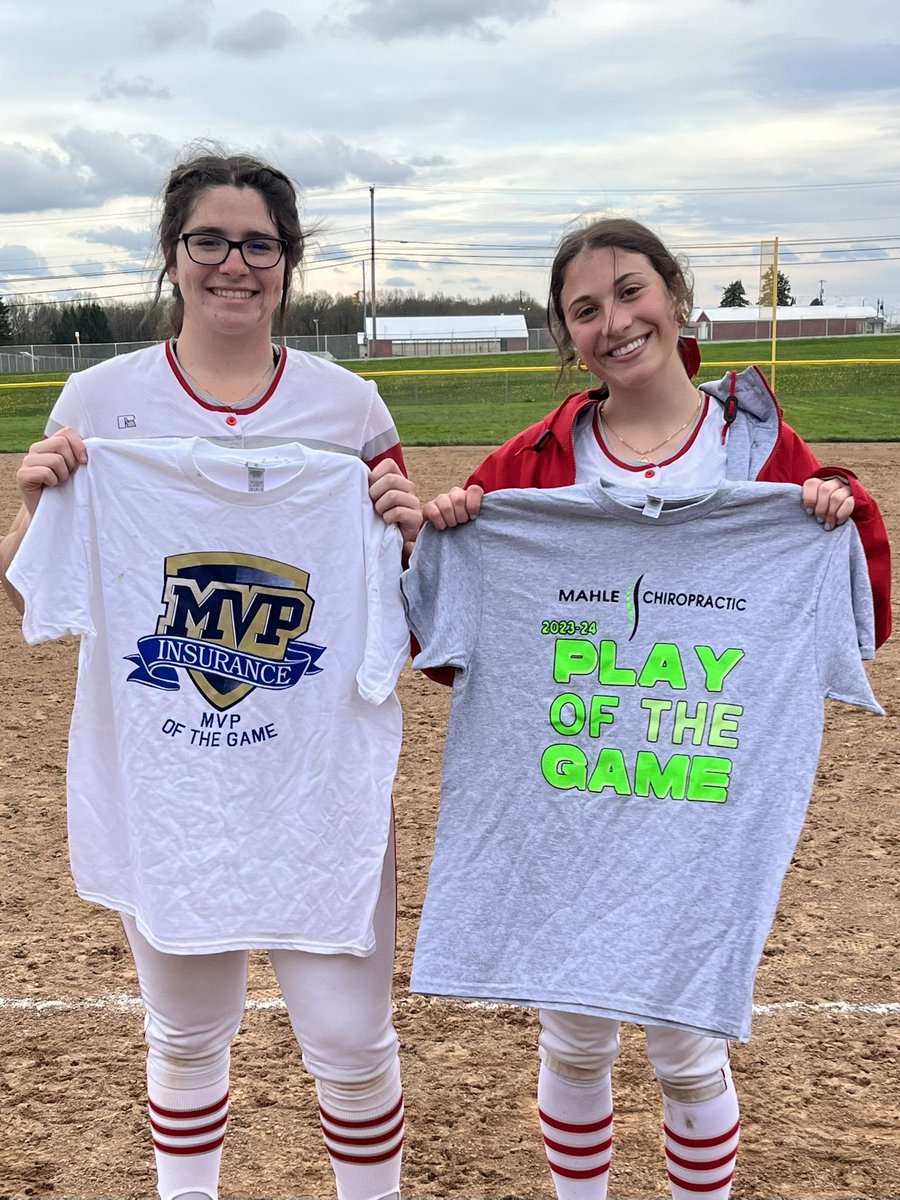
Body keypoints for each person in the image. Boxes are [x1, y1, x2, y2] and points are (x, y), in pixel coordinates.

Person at [414, 217, 891, 1200]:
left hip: (696, 806)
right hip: (568, 802)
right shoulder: (529, 466)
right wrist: (453, 537)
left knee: (685, 1047)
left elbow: (861, 616)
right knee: (576, 1039)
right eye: (583, 310)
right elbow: (449, 655)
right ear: (566, 337)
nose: (614, 322)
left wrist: (839, 515)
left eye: (630, 291)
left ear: (676, 296)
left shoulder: (760, 454)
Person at [1, 150, 421, 1200]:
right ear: (173, 253)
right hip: (171, 783)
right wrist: (33, 506)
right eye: (210, 241)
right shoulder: (99, 402)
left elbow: (402, 611)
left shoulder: (350, 409)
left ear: (288, 262)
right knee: (185, 1034)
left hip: (313, 785)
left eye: (259, 245)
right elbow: (38, 602)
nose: (234, 264)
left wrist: (407, 540)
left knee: (352, 1043)